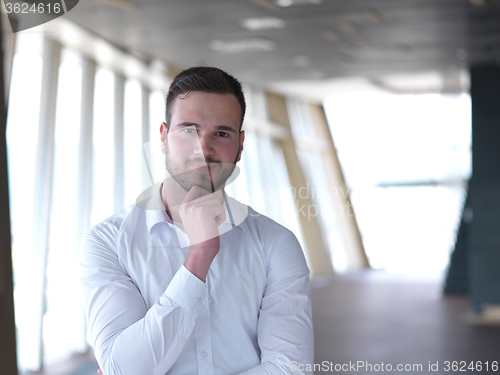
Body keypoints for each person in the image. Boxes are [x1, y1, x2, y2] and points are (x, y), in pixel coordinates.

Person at [80, 66, 314, 375]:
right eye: (189, 129)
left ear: (240, 145)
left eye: (221, 133)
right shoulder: (108, 243)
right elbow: (121, 368)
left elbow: (291, 370)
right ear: (163, 138)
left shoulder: (276, 244)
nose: (204, 148)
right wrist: (198, 258)